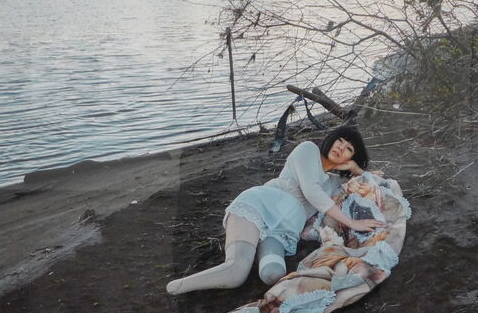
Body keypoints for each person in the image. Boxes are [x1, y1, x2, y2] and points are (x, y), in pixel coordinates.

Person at [165, 125, 385, 295]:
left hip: (283, 231)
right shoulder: (308, 150)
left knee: (273, 274)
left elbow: (374, 182)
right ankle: (178, 286)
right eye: (340, 141)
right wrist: (351, 222)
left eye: (349, 149)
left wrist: (355, 169)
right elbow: (311, 192)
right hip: (260, 205)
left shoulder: (333, 182)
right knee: (237, 272)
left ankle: (253, 248)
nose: (341, 148)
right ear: (331, 139)